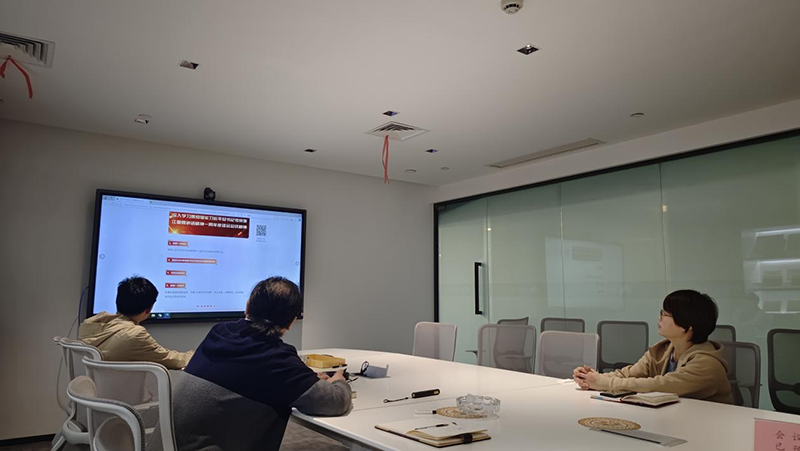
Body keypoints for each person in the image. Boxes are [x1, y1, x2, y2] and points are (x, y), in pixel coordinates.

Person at [173, 277, 351, 450]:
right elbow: (336, 402)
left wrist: (305, 379)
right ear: (291, 322)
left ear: (247, 306)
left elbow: (255, 376)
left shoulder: (219, 333)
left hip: (170, 444)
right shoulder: (277, 358)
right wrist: (338, 379)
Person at [573, 290, 733, 404]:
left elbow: (659, 385)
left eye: (666, 314)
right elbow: (629, 374)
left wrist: (603, 383)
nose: (660, 317)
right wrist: (591, 377)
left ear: (687, 326)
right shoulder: (662, 350)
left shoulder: (707, 364)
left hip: (709, 428)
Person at [78, 276, 193, 369]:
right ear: (149, 309)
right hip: (124, 389)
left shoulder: (91, 325)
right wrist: (196, 356)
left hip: (98, 387)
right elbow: (169, 359)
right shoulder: (134, 334)